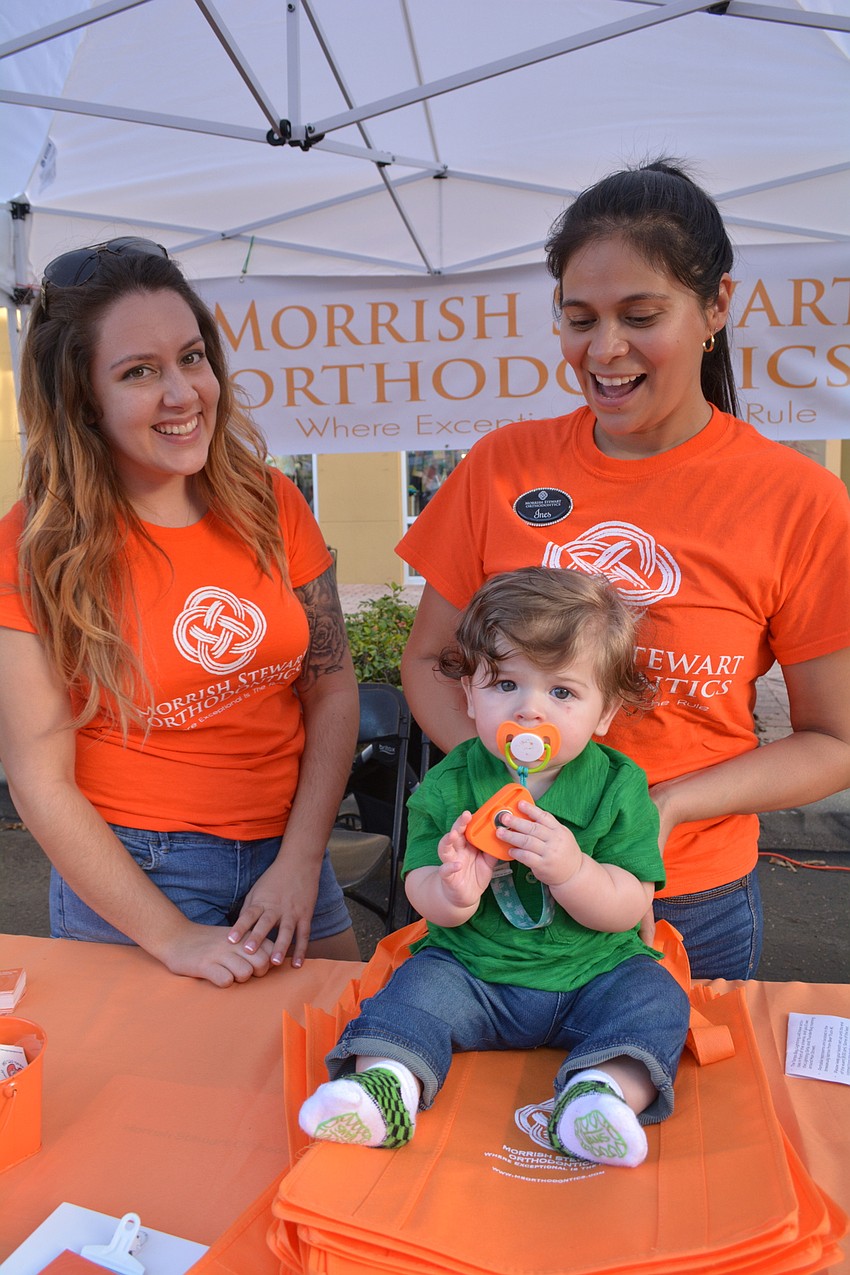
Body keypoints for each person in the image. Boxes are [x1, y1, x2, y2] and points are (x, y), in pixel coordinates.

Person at [397, 159, 850, 982]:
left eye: (641, 315)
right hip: (503, 885)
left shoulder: (801, 501)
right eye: (579, 318)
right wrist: (499, 781)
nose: (604, 350)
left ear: (716, 307)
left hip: (689, 895)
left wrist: (664, 806)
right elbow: (431, 660)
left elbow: (833, 740)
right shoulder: (502, 466)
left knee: (665, 1104)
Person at [0, 238, 361, 986]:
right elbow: (40, 782)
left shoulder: (271, 502)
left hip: (290, 853)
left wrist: (300, 858)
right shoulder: (31, 549)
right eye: (139, 372)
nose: (183, 393)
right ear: (81, 398)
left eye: (192, 358)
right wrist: (170, 937)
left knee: (341, 1073)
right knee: (161, 1098)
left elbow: (330, 687)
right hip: (135, 874)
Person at [299, 568, 691, 1168]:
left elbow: (628, 908)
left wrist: (572, 870)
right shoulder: (451, 782)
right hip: (474, 975)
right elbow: (419, 890)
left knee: (657, 1002)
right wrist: (452, 889)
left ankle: (600, 1095)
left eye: (562, 693)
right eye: (506, 683)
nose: (529, 711)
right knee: (409, 993)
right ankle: (384, 1090)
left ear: (605, 712)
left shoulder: (618, 786)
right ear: (470, 694)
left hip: (592, 974)